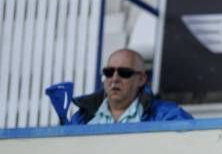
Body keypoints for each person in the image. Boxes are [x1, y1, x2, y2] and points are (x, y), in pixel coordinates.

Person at [47, 49, 192, 125]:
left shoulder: (165, 115)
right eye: (109, 73)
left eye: (124, 73)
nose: (114, 79)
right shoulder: (81, 119)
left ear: (141, 79)